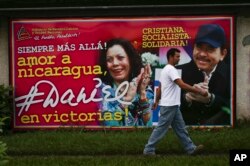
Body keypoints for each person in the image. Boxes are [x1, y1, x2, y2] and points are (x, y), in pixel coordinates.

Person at [143, 48, 205, 155]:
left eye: (179, 56)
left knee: (181, 129)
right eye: (177, 56)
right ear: (170, 57)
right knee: (161, 128)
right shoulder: (171, 70)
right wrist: (198, 91)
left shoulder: (165, 70)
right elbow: (181, 84)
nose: (179, 59)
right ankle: (149, 149)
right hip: (169, 105)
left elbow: (159, 88)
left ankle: (190, 149)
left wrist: (156, 101)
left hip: (173, 105)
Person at [176, 24, 231, 125]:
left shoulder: (232, 74)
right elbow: (160, 106)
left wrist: (210, 99)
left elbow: (235, 106)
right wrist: (187, 97)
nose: (202, 54)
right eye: (199, 47)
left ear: (223, 54)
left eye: (210, 49)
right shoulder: (176, 72)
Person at [98, 38, 154, 126]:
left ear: (130, 60)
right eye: (109, 60)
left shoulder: (146, 90)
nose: (115, 63)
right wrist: (127, 100)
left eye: (120, 58)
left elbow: (148, 126)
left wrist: (142, 94)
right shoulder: (100, 91)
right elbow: (110, 126)